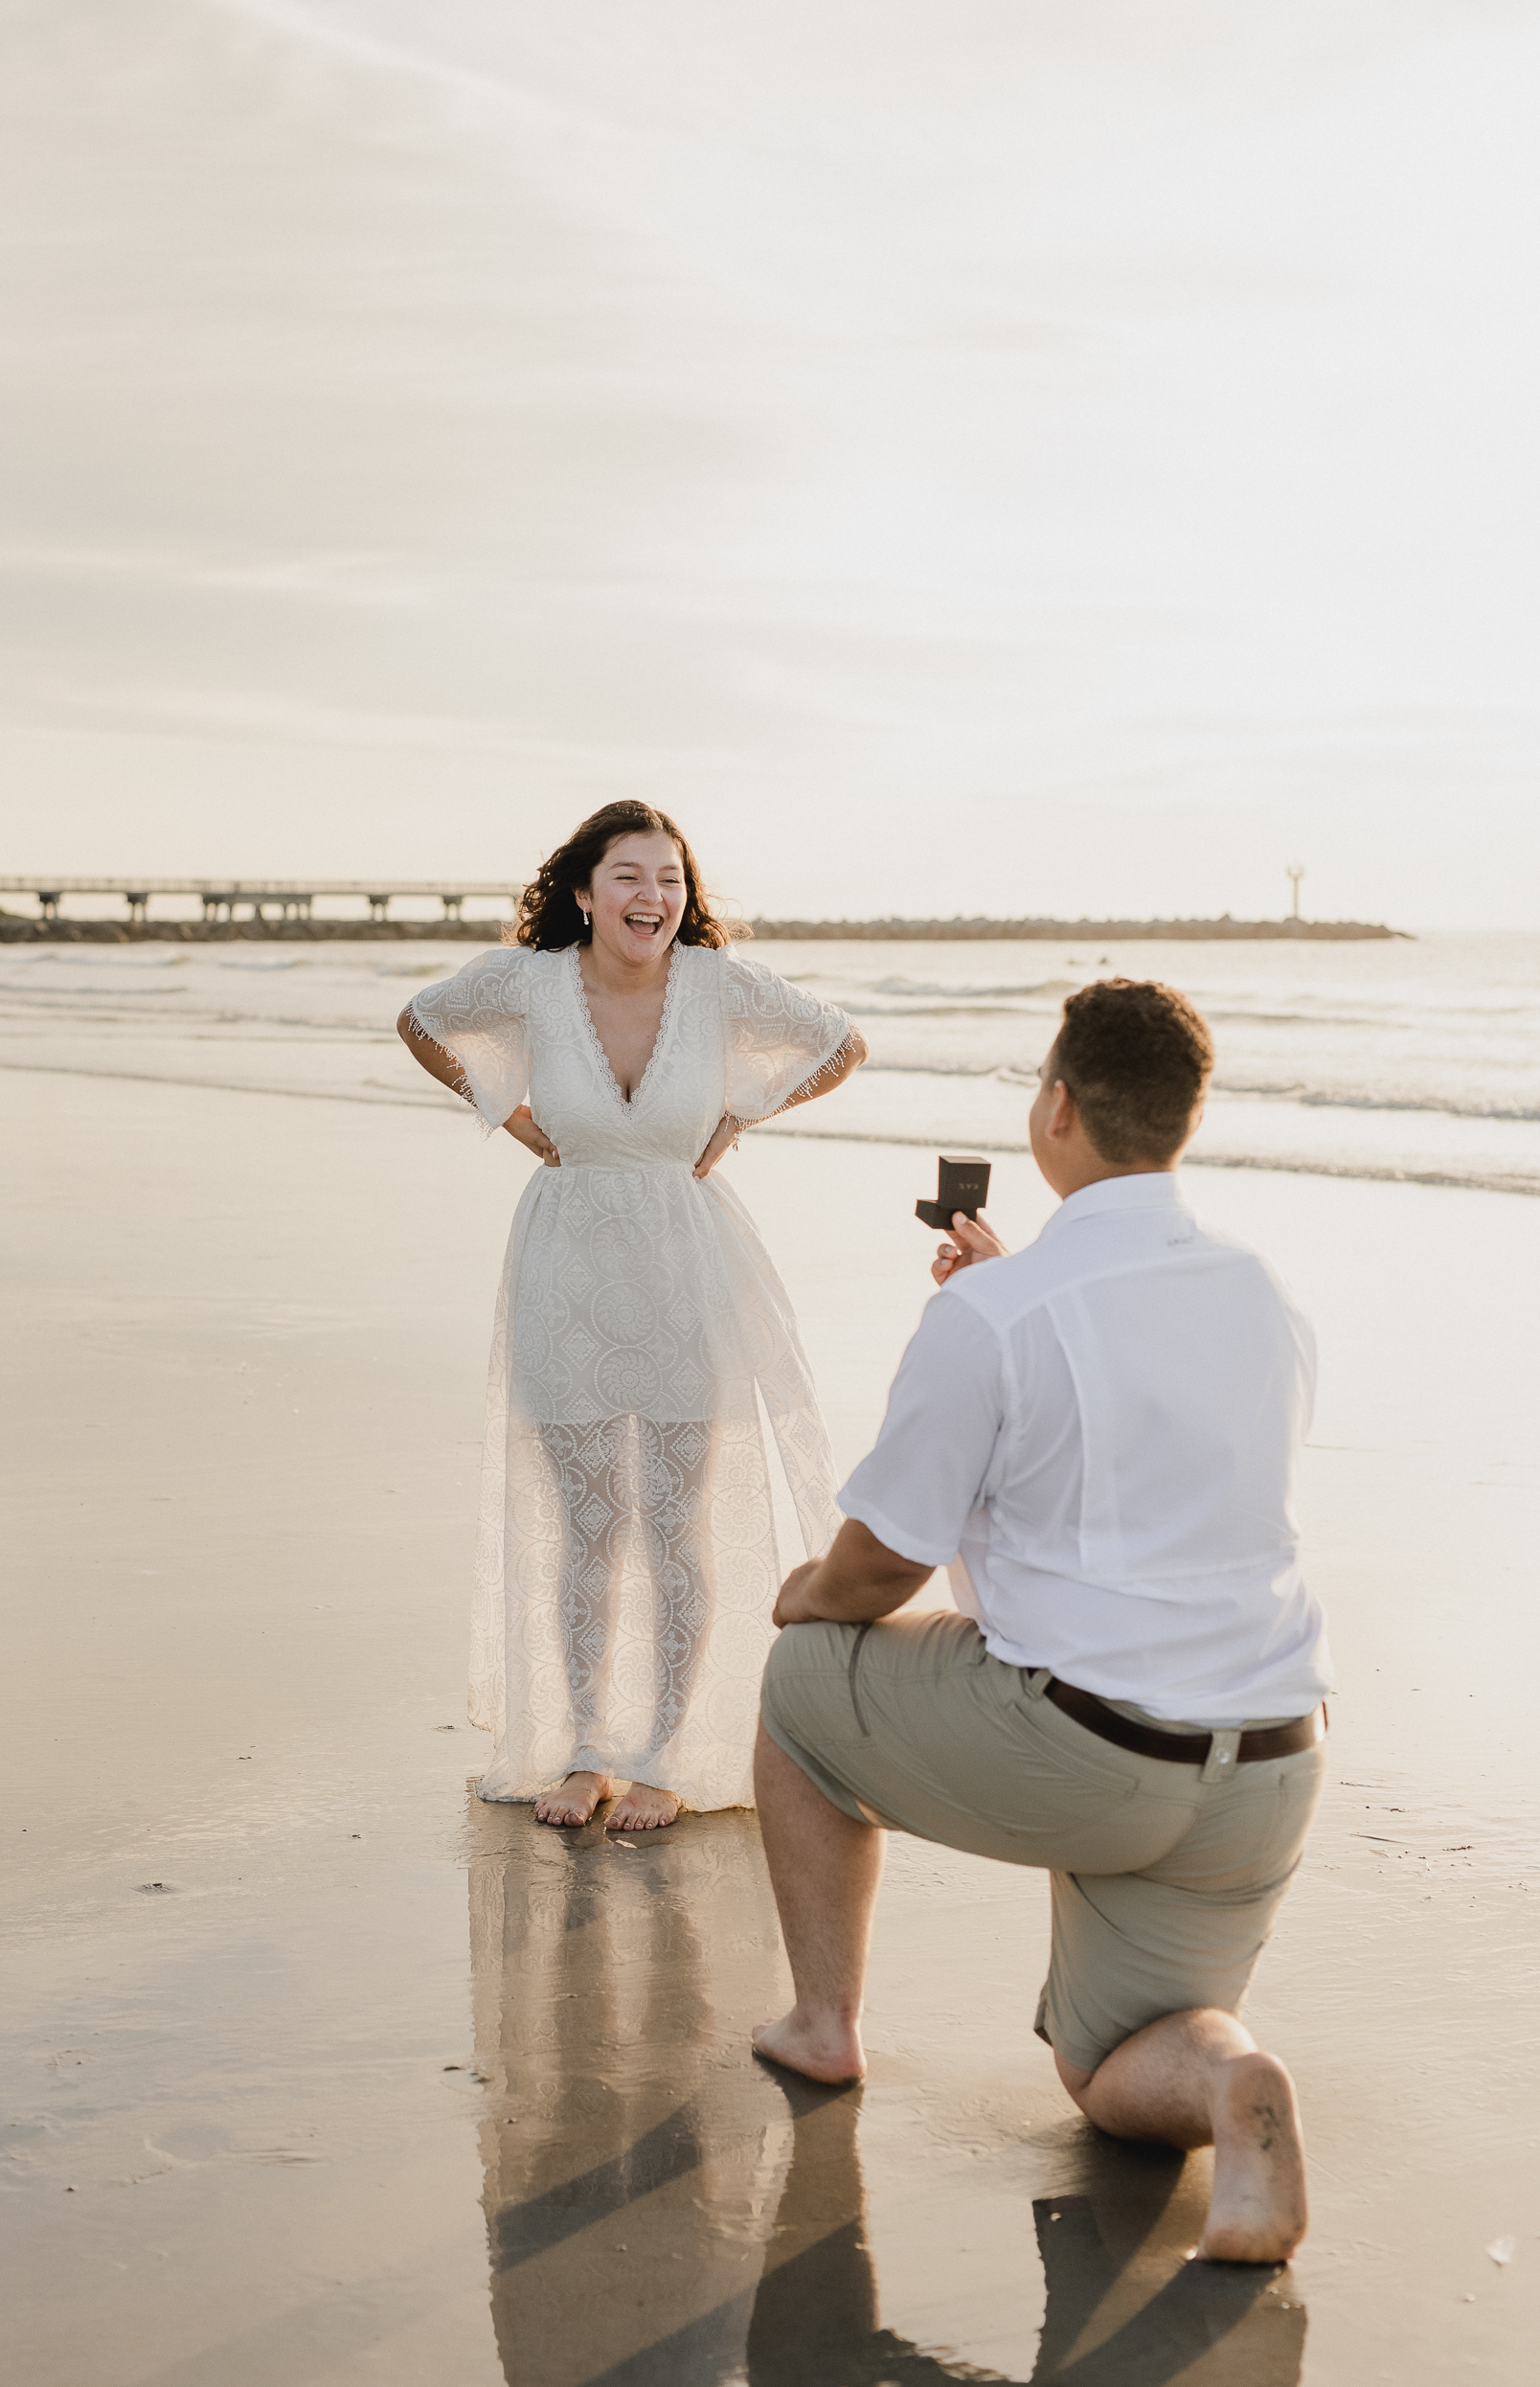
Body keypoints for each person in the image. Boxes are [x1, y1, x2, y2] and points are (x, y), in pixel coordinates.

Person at [750, 977, 1334, 2263]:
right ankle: (1233, 2089)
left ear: (1056, 1106)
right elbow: (1170, 1451)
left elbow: (882, 1563)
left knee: (798, 1683)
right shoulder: (1264, 1289)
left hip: (1086, 1747)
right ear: (1185, 1114)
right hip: (1268, 1757)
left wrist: (807, 1591)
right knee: (1109, 2069)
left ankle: (819, 2021)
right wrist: (1017, 1291)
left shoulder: (991, 1314)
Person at [397, 799, 865, 1831]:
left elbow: (838, 1044)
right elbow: (422, 1023)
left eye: (670, 880)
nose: (653, 897)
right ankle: (583, 1752)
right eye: (628, 876)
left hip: (684, 1268)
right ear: (582, 891)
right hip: (564, 1263)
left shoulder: (718, 984)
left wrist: (741, 1113)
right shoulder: (527, 982)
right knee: (585, 1526)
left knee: (672, 1523)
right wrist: (512, 1120)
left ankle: (663, 1755)